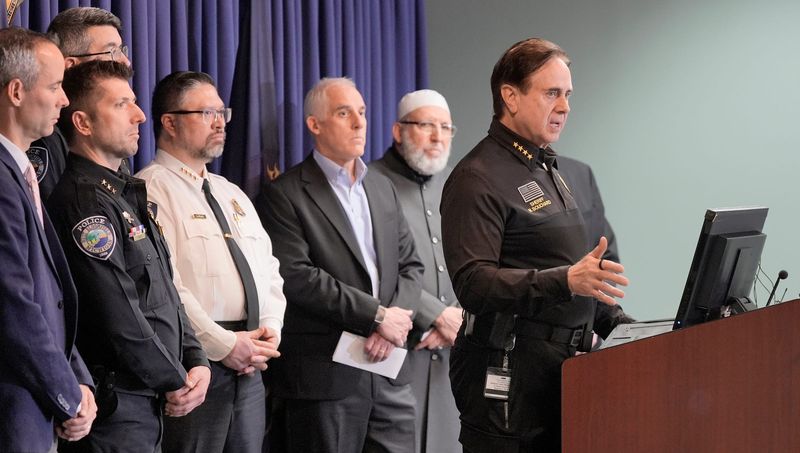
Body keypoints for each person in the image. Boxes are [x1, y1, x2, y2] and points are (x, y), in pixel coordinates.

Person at [440, 38, 634, 452]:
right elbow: (473, 284)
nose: (564, 106)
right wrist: (565, 280)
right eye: (551, 93)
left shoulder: (554, 168)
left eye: (567, 95)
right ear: (510, 96)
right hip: (509, 377)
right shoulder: (477, 177)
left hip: (565, 375)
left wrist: (624, 329)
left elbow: (579, 273)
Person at [46, 60, 210, 453]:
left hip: (149, 398)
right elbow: (118, 315)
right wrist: (176, 378)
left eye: (135, 102)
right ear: (83, 123)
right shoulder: (83, 204)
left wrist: (196, 357)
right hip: (116, 407)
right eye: (122, 105)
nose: (139, 115)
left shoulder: (124, 194)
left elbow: (167, 293)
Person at [259, 77, 423, 452]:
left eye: (362, 113)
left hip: (389, 373)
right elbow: (298, 277)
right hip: (326, 382)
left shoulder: (381, 186)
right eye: (344, 113)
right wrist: (377, 316)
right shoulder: (284, 194)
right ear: (315, 125)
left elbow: (411, 265)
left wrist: (391, 321)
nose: (359, 123)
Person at [136, 71, 286, 453]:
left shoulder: (230, 192)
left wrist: (269, 329)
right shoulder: (150, 190)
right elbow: (167, 287)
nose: (220, 122)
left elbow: (269, 269)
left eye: (223, 112)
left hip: (252, 362)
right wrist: (222, 344)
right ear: (169, 122)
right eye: (206, 112)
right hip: (197, 363)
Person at [0, 27, 97, 453]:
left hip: (36, 404)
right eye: (56, 86)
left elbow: (50, 296)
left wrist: (78, 380)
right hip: (13, 409)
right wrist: (67, 393)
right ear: (17, 91)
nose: (64, 99)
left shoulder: (20, 173)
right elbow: (13, 304)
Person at [369, 89, 461, 453]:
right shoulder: (370, 182)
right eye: (426, 125)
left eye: (446, 128)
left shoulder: (461, 182)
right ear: (398, 130)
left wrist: (460, 318)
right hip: (397, 350)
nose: (438, 137)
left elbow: (487, 259)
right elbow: (374, 265)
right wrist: (436, 315)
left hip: (456, 353)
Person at [27, 6, 131, 200]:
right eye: (112, 51)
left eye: (122, 50)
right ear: (71, 65)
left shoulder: (108, 131)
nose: (125, 61)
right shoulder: (47, 136)